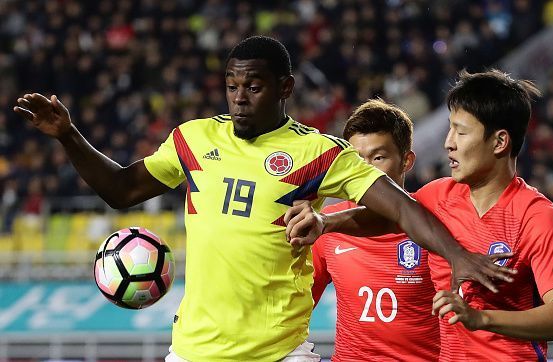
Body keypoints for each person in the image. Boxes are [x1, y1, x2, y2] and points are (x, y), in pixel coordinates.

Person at [14, 36, 514, 361]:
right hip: (194, 351)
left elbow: (402, 207)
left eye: (253, 85)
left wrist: (459, 255)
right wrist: (68, 136)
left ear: (284, 88)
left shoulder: (317, 153)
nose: (239, 96)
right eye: (232, 85)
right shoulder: (193, 139)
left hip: (280, 352)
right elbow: (121, 190)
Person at [285, 69, 553, 361]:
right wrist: (325, 222)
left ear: (499, 142)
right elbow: (390, 216)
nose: (449, 143)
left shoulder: (536, 216)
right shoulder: (439, 196)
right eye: (450, 129)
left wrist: (481, 318)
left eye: (461, 132)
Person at [311, 99, 440, 361]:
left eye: (378, 158)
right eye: (357, 160)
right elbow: (296, 308)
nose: (366, 172)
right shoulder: (326, 226)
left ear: (407, 161)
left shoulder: (433, 224)